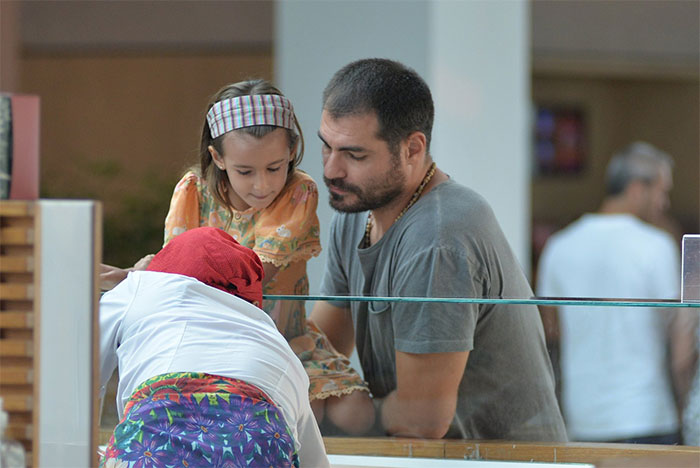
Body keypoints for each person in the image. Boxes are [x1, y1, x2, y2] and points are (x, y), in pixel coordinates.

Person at [310, 58, 567, 441]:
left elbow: (422, 420)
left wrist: (353, 415)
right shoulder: (355, 212)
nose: (331, 170)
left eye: (354, 155)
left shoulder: (438, 237)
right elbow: (320, 352)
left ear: (413, 148)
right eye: (326, 147)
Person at [100, 79, 374, 435]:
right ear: (217, 157)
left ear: (291, 149)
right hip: (211, 341)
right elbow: (178, 276)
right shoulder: (193, 190)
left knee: (357, 415)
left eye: (274, 167)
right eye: (245, 171)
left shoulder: (298, 191)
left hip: (286, 339)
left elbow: (251, 275)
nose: (262, 185)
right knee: (293, 416)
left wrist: (140, 273)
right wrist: (139, 275)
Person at [99, 227, 330, 467]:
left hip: (154, 430)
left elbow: (80, 373)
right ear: (252, 301)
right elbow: (314, 460)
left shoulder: (143, 287)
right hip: (258, 439)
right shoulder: (275, 344)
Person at [536, 142, 698, 443]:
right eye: (662, 192)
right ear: (637, 189)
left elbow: (549, 330)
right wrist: (685, 405)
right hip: (647, 416)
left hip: (582, 419)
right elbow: (681, 345)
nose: (664, 203)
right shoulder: (657, 245)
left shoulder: (559, 246)